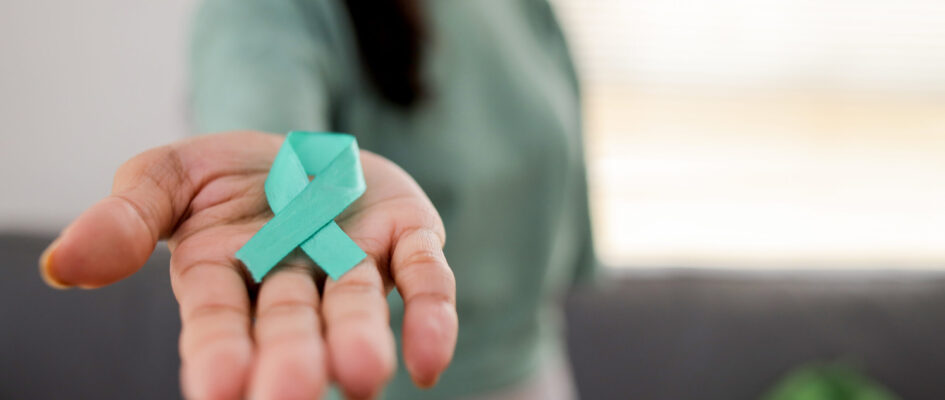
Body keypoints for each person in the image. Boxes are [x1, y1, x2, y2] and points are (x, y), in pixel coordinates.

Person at [40, 0, 595, 399]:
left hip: (540, 372)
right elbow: (261, 106)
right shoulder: (264, 14)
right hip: (373, 380)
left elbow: (563, 150)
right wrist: (261, 170)